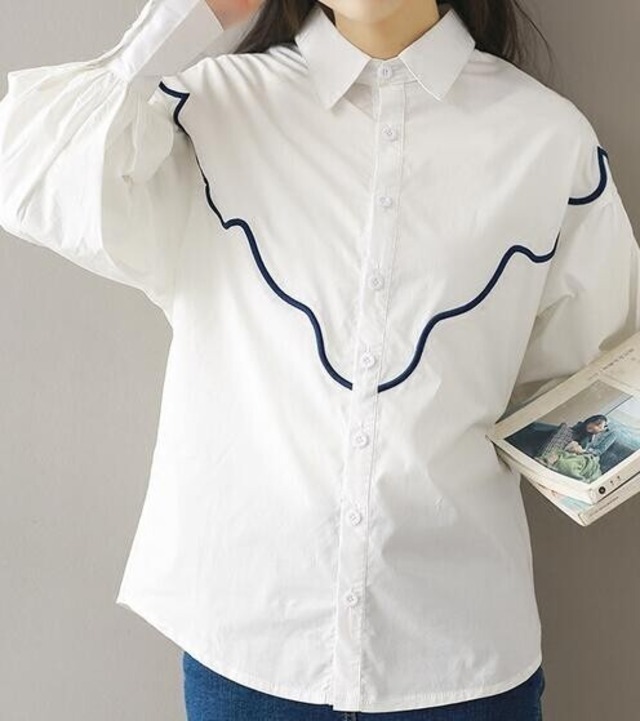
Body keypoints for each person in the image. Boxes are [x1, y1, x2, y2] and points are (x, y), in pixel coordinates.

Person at [1, 0, 639, 719]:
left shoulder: (548, 139)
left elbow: (595, 382)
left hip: (459, 654)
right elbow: (27, 171)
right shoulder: (206, 109)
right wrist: (192, 14)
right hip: (248, 647)